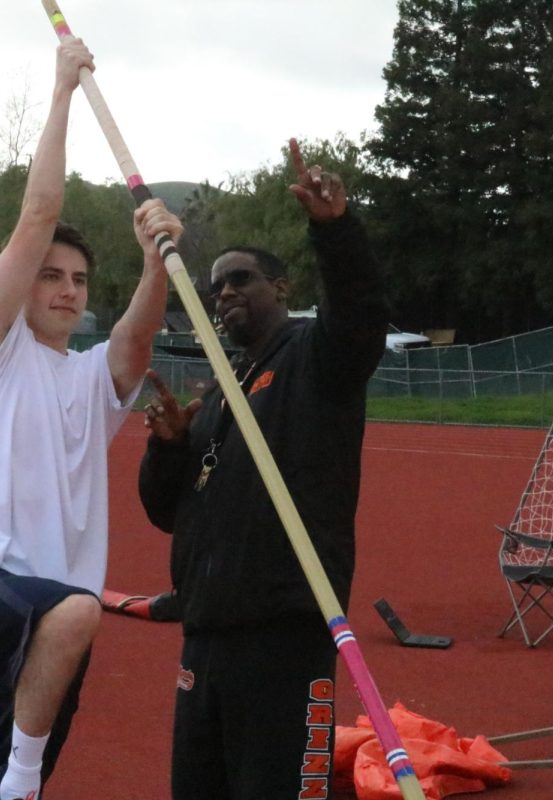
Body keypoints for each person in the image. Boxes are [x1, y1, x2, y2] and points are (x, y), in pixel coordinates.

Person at [0, 38, 182, 800]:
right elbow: (40, 212)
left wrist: (154, 261)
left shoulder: (88, 380)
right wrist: (63, 89)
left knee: (18, 770)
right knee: (76, 616)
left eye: (79, 280)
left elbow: (135, 340)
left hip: (53, 623)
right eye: (51, 276)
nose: (68, 289)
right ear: (24, 285)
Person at [137, 139, 389, 800]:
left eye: (240, 278)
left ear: (281, 286)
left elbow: (362, 316)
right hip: (206, 637)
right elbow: (168, 512)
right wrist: (166, 448)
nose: (224, 292)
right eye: (216, 284)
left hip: (286, 637)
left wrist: (334, 231)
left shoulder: (316, 359)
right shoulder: (218, 393)